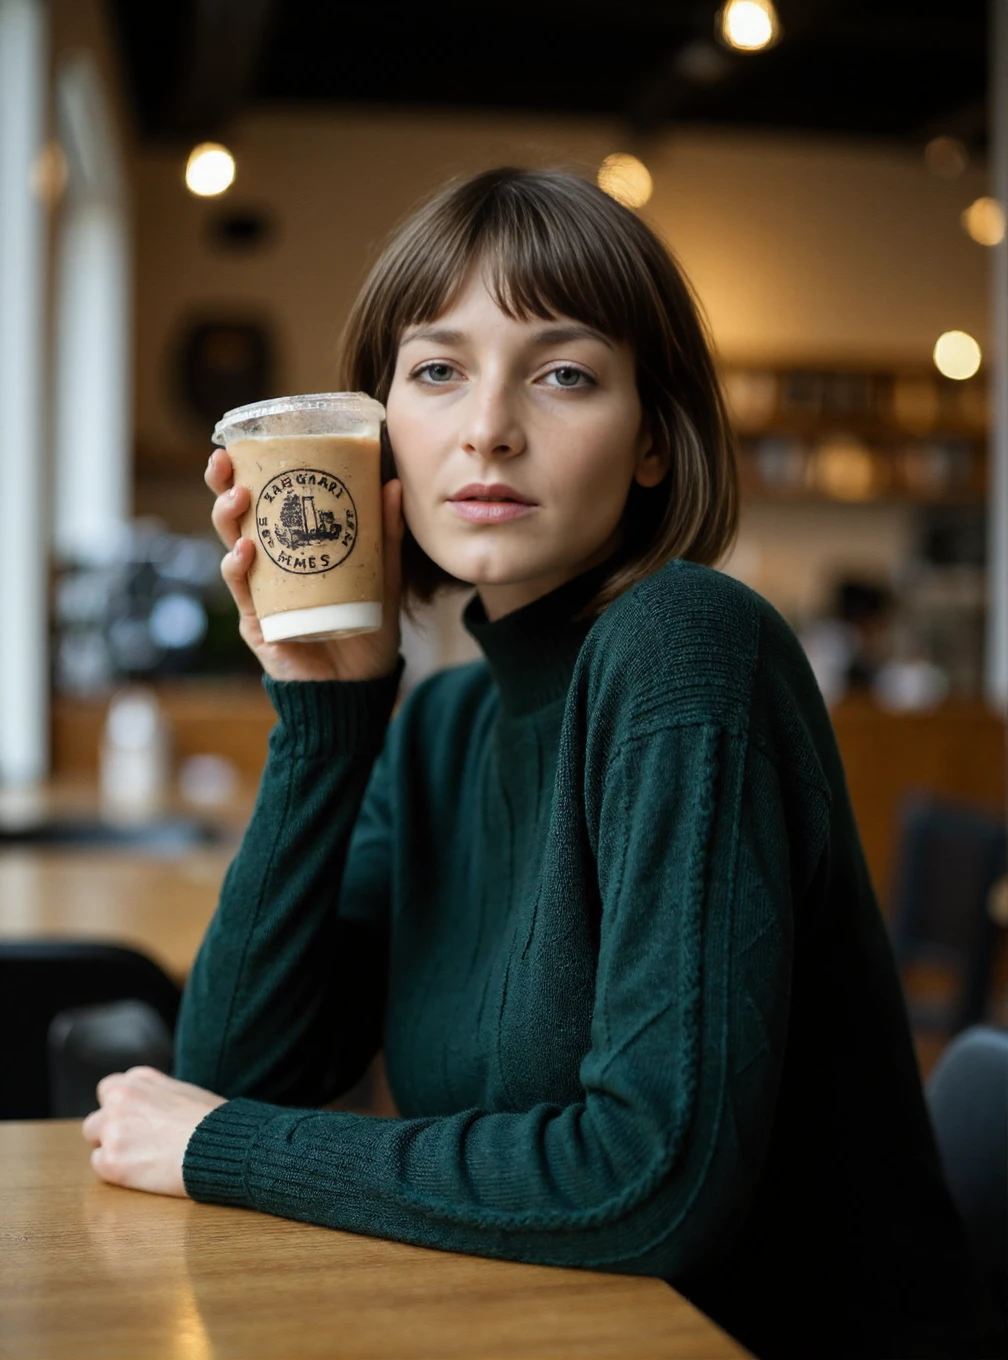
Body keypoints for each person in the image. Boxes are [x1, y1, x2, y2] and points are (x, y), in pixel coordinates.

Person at [82, 168, 993, 1359]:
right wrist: (330, 717)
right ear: (374, 438)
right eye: (437, 370)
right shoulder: (443, 726)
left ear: (656, 440)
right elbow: (244, 1070)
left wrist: (220, 1148)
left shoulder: (684, 644)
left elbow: (647, 1180)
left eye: (564, 373)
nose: (489, 426)